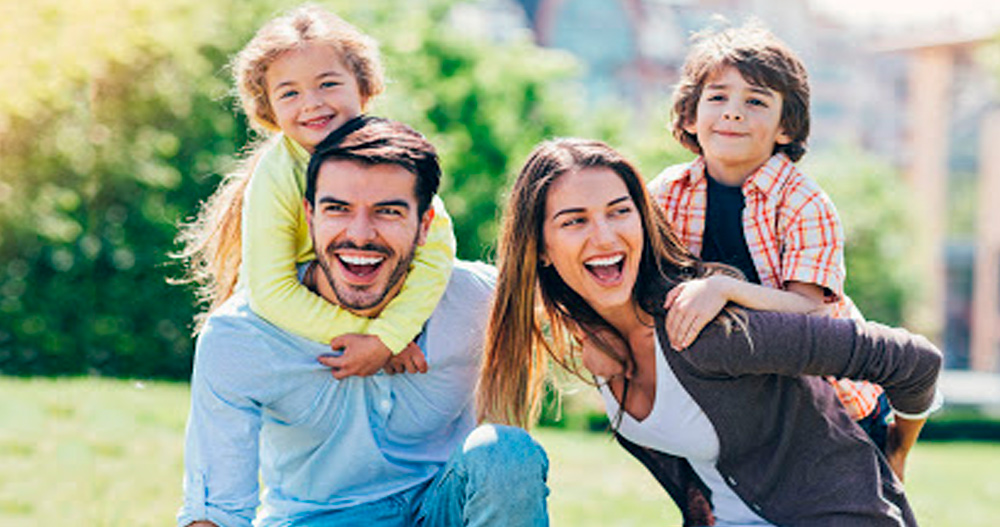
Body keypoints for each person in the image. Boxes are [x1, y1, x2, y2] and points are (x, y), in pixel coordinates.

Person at [479, 138, 941, 526]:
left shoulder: (705, 328)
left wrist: (894, 452)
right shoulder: (594, 339)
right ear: (540, 247)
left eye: (620, 211)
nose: (604, 236)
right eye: (575, 220)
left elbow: (914, 361)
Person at [178, 118, 549, 527]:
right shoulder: (242, 337)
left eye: (387, 212)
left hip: (441, 509)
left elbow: (586, 312)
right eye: (337, 209)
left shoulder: (478, 301)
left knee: (506, 455)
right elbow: (216, 512)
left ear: (425, 225)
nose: (359, 234)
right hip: (318, 520)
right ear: (310, 215)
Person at [645, 21, 892, 450]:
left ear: (787, 127)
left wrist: (722, 290)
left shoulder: (804, 203)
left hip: (833, 402)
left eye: (756, 101)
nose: (733, 111)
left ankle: (893, 445)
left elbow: (810, 312)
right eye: (717, 97)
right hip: (739, 396)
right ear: (690, 114)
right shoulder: (667, 192)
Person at [174, 5, 453, 377]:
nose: (312, 104)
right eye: (289, 93)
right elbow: (271, 292)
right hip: (298, 316)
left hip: (367, 292)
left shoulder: (389, 156)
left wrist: (389, 338)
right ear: (268, 108)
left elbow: (437, 249)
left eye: (328, 84)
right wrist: (377, 341)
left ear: (363, 86)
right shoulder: (276, 175)